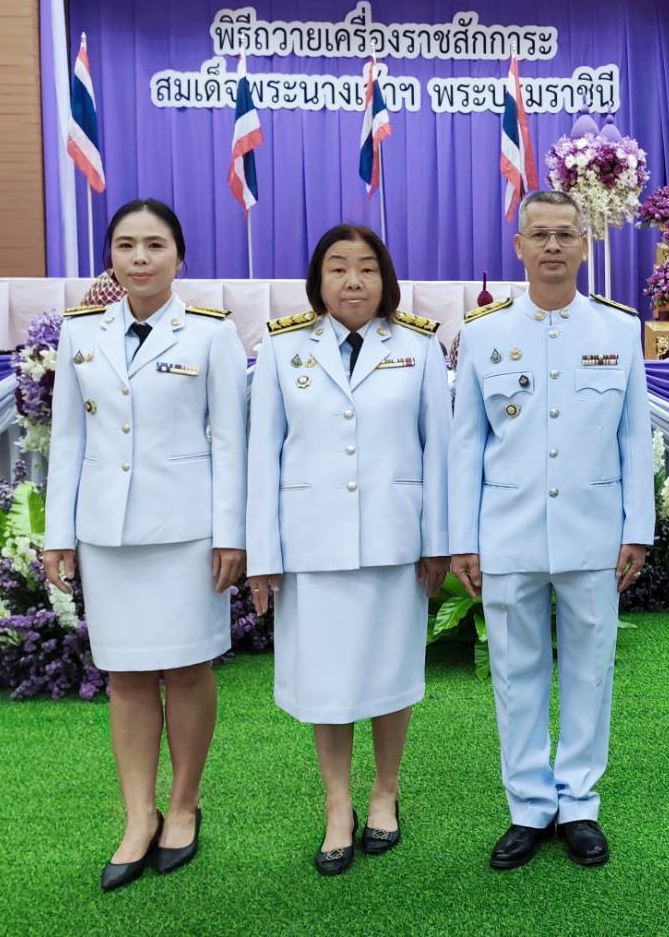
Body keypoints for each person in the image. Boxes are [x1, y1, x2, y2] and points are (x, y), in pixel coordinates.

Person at [42, 198, 247, 891]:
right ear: (111, 257)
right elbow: (67, 440)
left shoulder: (210, 332)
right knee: (126, 678)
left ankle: (184, 804)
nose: (138, 258)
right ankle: (138, 816)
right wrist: (57, 535)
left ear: (178, 256)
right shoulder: (81, 333)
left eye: (153, 245)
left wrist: (232, 532)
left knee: (187, 670)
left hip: (187, 533)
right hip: (108, 534)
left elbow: (229, 440)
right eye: (125, 245)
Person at [449, 191, 654, 871]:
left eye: (566, 234)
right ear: (519, 246)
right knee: (515, 669)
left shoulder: (617, 330)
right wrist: (462, 536)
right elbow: (465, 446)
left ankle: (579, 803)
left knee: (590, 666)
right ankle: (529, 805)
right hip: (507, 528)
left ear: (585, 244)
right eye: (539, 234)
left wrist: (638, 528)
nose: (553, 247)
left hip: (593, 529)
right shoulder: (482, 334)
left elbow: (633, 437)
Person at [245, 224, 450, 876]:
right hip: (312, 543)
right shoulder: (282, 350)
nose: (353, 280)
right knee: (324, 683)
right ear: (318, 280)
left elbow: (437, 453)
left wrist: (438, 543)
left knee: (390, 676)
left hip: (395, 540)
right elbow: (262, 458)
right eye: (338, 268)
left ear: (385, 278)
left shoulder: (418, 346)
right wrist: (262, 553)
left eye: (366, 268)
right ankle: (338, 806)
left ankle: (384, 792)